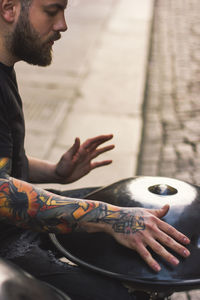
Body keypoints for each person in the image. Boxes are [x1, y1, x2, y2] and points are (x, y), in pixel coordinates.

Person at [0, 0, 190, 299]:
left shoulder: (5, 68)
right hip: (5, 245)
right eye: (52, 11)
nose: (62, 24)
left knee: (151, 214)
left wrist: (55, 173)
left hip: (15, 227)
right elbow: (1, 192)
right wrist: (111, 217)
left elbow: (5, 163)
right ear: (9, 9)